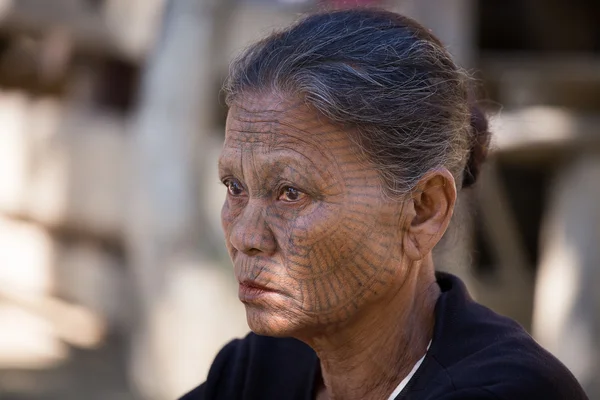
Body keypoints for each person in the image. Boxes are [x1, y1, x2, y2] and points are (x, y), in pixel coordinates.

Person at [180, 8, 588, 400]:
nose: (245, 236)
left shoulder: (510, 392)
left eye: (291, 193)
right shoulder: (260, 369)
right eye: (234, 187)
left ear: (422, 211)